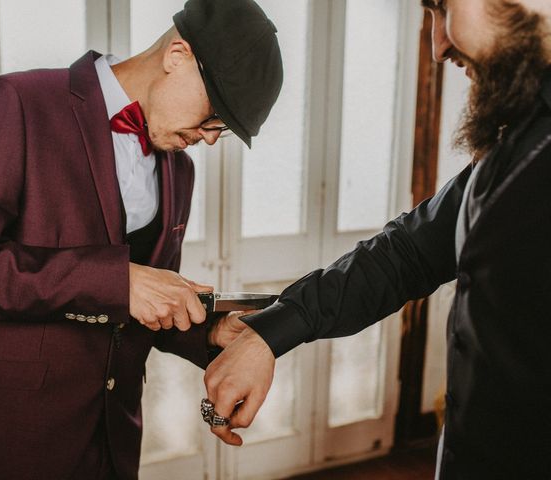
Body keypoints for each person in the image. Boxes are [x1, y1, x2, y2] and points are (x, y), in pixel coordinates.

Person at [0, 0, 283, 478]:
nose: (212, 138)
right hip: (5, 440)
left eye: (225, 131)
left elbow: (139, 306)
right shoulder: (18, 103)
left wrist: (207, 333)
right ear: (178, 56)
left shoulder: (180, 169)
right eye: (216, 115)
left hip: (112, 438)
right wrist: (116, 281)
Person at [203, 0, 551, 478]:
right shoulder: (515, 147)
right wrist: (269, 332)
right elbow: (406, 253)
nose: (437, 45)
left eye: (442, 7)